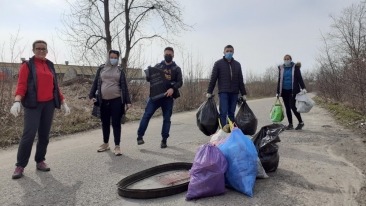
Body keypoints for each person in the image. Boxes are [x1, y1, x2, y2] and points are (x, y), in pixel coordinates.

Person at [10, 40, 71, 179]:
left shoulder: (50, 65)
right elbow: (21, 85)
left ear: (47, 51)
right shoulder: (27, 65)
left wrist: (63, 101)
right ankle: (20, 165)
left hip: (48, 105)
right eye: (38, 48)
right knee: (29, 134)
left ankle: (40, 160)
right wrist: (17, 101)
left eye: (43, 49)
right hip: (33, 105)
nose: (41, 51)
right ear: (33, 50)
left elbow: (56, 86)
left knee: (44, 135)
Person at [136, 47, 183, 148]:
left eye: (170, 54)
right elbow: (150, 79)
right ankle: (140, 136)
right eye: (166, 54)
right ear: (163, 54)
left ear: (173, 55)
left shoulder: (176, 69)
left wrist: (173, 89)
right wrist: (148, 74)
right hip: (155, 97)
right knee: (147, 115)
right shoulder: (158, 66)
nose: (168, 56)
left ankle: (164, 140)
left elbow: (180, 82)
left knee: (167, 119)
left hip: (168, 98)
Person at [89, 50, 131, 156]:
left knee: (116, 123)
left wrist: (128, 101)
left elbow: (124, 86)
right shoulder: (101, 69)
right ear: (108, 57)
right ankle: (106, 143)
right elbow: (95, 83)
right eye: (111, 57)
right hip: (103, 100)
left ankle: (117, 146)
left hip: (116, 100)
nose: (113, 59)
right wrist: (91, 95)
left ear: (117, 58)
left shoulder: (120, 70)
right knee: (105, 123)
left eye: (115, 57)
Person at [206, 45, 247, 126]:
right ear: (224, 52)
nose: (229, 52)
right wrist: (209, 91)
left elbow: (240, 80)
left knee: (231, 113)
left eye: (231, 51)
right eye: (227, 51)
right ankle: (223, 132)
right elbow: (213, 78)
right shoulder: (218, 64)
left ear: (233, 52)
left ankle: (230, 131)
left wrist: (244, 93)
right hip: (223, 92)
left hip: (234, 92)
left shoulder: (237, 64)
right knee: (223, 112)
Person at [276, 54, 307, 130]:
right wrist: (277, 91)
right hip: (284, 91)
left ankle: (301, 122)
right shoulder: (281, 68)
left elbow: (299, 78)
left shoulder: (295, 67)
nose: (286, 60)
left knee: (292, 106)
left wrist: (303, 88)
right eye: (285, 59)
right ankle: (290, 124)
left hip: (292, 91)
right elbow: (280, 80)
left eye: (288, 59)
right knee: (287, 108)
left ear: (291, 59)